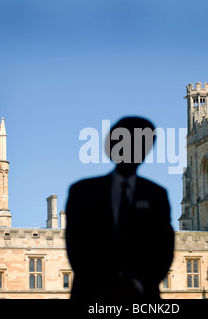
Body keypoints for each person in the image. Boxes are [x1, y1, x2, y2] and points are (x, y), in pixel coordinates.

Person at [65, 116, 175, 301]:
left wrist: (137, 285)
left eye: (142, 144)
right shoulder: (83, 191)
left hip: (141, 296)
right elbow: (76, 247)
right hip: (92, 294)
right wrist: (104, 286)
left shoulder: (156, 194)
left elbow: (163, 249)